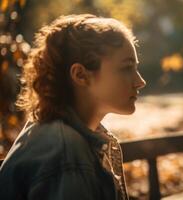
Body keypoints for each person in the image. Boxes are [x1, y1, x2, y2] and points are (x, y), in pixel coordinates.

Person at [0, 14, 146, 200]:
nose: (140, 81)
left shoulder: (61, 134)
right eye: (127, 68)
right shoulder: (66, 154)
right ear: (80, 75)